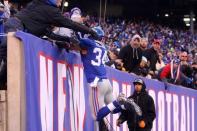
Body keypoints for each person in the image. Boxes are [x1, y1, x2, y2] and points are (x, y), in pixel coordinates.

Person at [0, 0, 98, 86]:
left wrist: (67, 40)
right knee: (10, 55)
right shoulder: (50, 10)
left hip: (19, 27)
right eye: (59, 0)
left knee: (12, 60)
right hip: (16, 25)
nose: (60, 3)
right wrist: (89, 31)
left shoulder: (42, 13)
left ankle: (2, 82)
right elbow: (70, 24)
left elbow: (51, 35)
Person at [79, 26, 114, 131]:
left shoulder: (88, 42)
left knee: (96, 116)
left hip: (96, 82)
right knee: (114, 109)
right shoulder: (103, 46)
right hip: (106, 81)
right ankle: (120, 103)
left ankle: (118, 102)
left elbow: (75, 40)